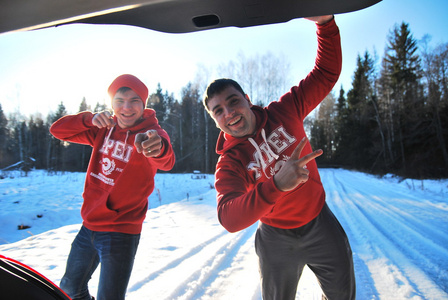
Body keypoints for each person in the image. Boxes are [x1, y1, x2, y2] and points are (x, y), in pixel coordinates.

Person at [203, 16, 355, 299]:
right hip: (275, 239)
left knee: (342, 295)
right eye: (218, 111)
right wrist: (276, 185)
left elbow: (325, 73)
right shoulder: (230, 163)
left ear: (247, 98)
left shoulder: (285, 110)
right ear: (214, 120)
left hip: (320, 222)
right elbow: (229, 217)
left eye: (233, 101)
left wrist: (325, 24)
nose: (229, 113)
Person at [50, 74, 175, 300]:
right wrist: (88, 119)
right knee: (69, 287)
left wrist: (156, 147)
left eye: (134, 100)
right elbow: (57, 130)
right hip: (89, 225)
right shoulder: (102, 128)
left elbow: (166, 159)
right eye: (119, 101)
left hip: (121, 231)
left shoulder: (151, 132)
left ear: (144, 104)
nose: (126, 107)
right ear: (111, 104)